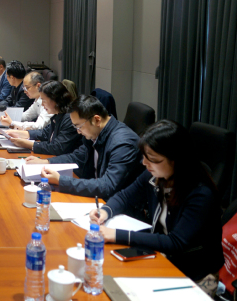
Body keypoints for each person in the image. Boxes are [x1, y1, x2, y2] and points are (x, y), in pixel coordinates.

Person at [89, 120, 224, 293]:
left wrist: (116, 235)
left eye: (152, 159)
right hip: (161, 255)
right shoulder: (155, 175)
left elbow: (175, 242)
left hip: (196, 273)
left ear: (176, 160)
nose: (144, 163)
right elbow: (125, 197)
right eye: (145, 156)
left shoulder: (201, 194)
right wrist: (105, 211)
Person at [27, 95, 143, 200]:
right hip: (98, 198)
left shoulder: (122, 144)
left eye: (79, 126)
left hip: (116, 207)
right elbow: (77, 156)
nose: (78, 132)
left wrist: (60, 180)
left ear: (96, 120)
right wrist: (46, 162)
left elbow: (108, 185)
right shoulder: (96, 133)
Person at [5, 81, 81, 155]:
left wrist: (26, 144)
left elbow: (57, 147)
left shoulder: (70, 119)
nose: (42, 104)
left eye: (44, 100)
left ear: (55, 100)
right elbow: (44, 133)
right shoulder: (58, 115)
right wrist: (18, 133)